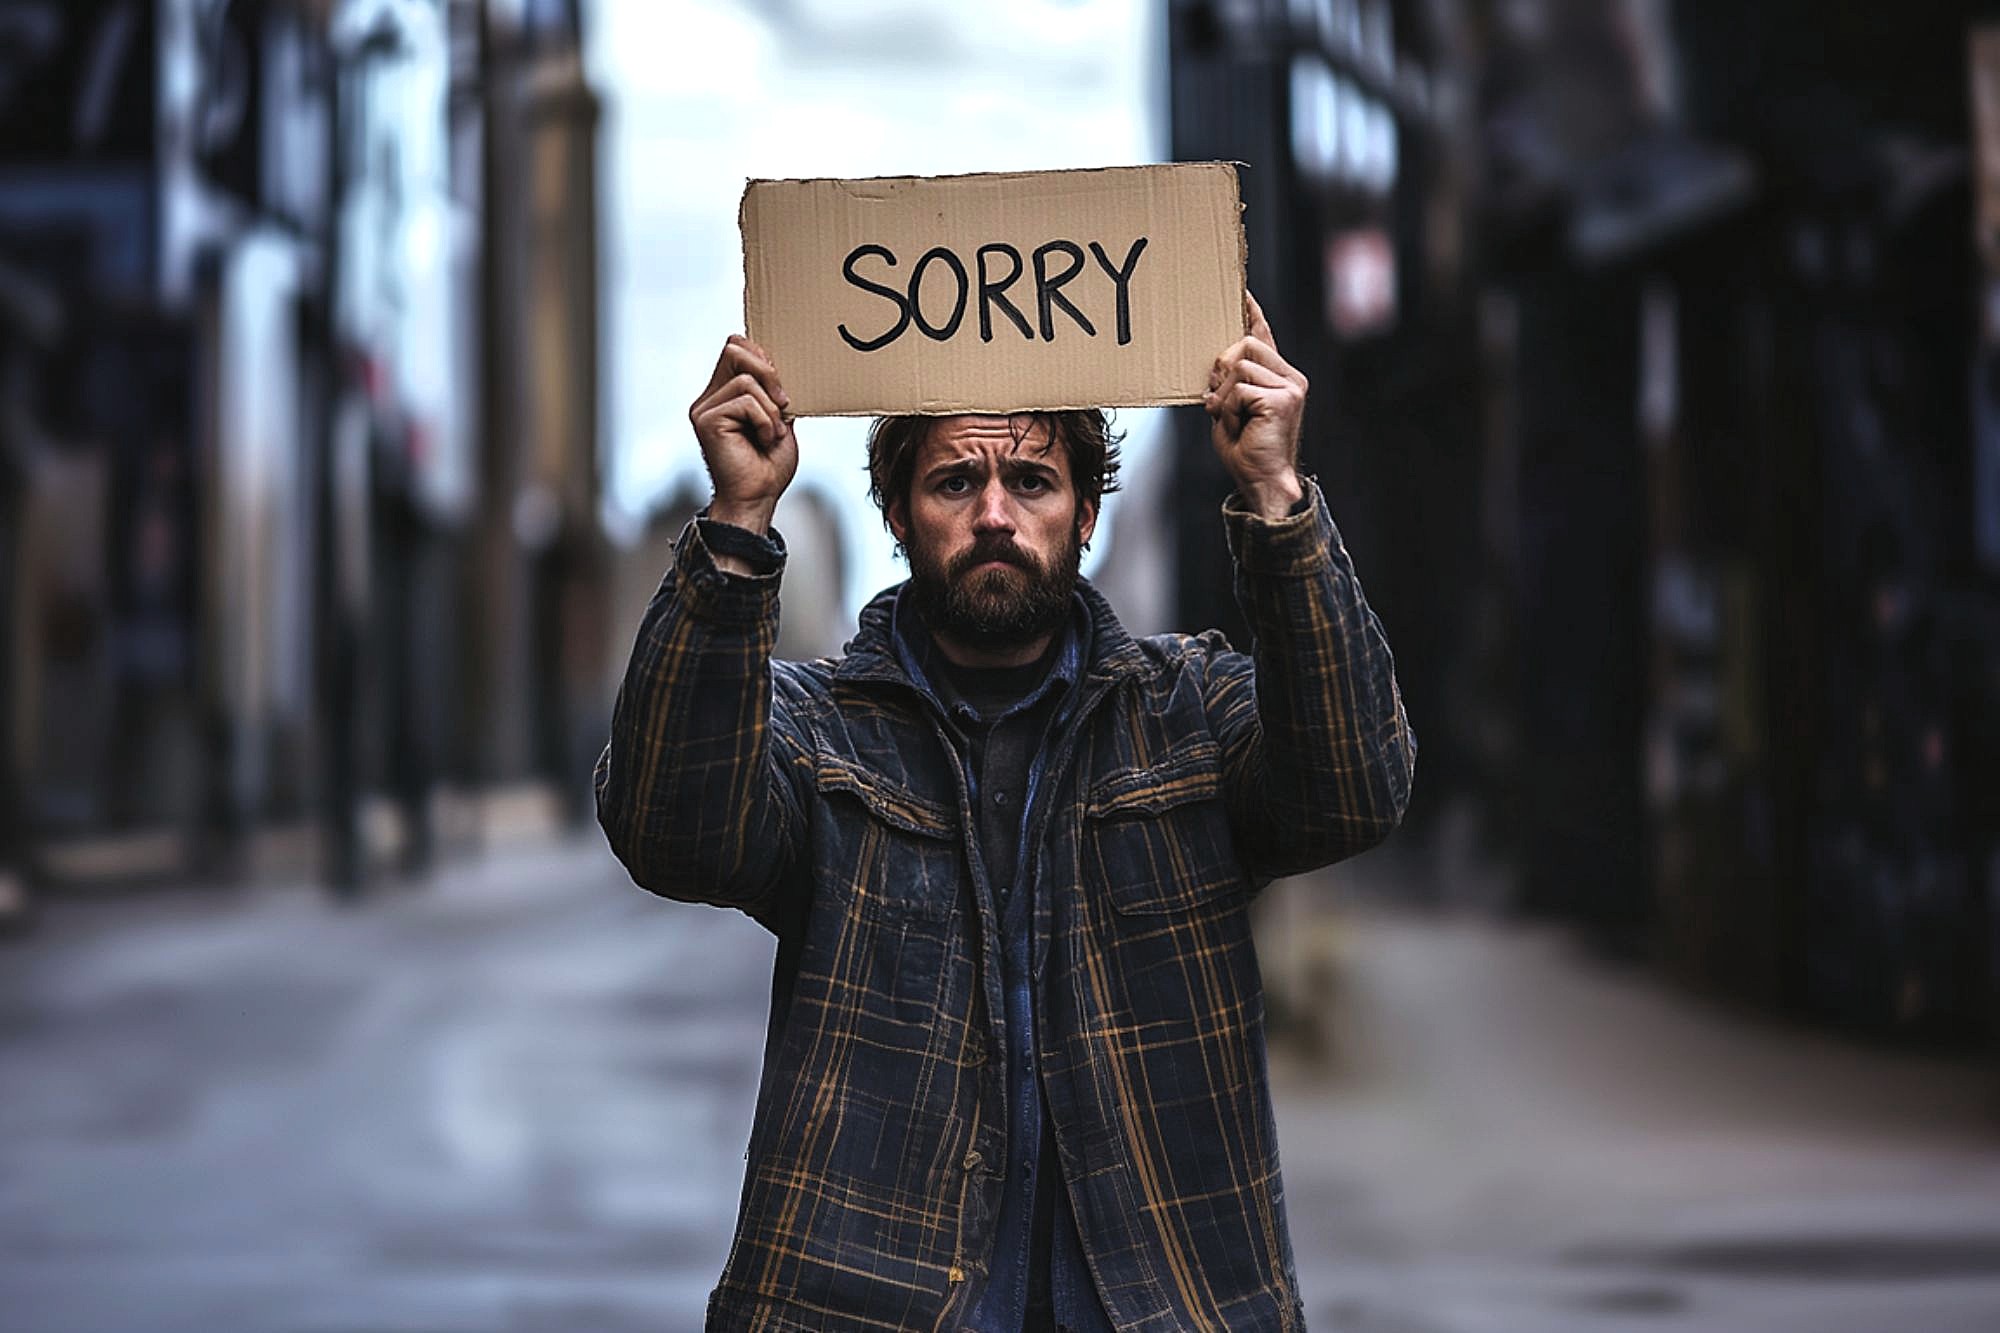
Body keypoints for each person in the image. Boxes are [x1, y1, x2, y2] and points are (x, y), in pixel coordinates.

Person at [596, 294, 1415, 1331]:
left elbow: (1355, 787)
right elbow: (671, 830)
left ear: (1083, 512)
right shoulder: (820, 731)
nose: (994, 513)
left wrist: (1273, 496)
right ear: (895, 515)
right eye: (953, 481)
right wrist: (734, 528)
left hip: (1164, 1301)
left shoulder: (1186, 715)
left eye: (1031, 480)